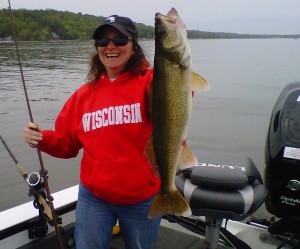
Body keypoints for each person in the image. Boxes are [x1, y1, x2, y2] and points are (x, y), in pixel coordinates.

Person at [23, 15, 161, 249]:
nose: (110, 46)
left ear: (134, 45)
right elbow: (67, 144)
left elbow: (179, 94)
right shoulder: (83, 95)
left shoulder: (152, 81)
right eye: (102, 41)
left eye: (119, 39)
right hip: (94, 198)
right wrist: (42, 138)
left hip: (143, 197)